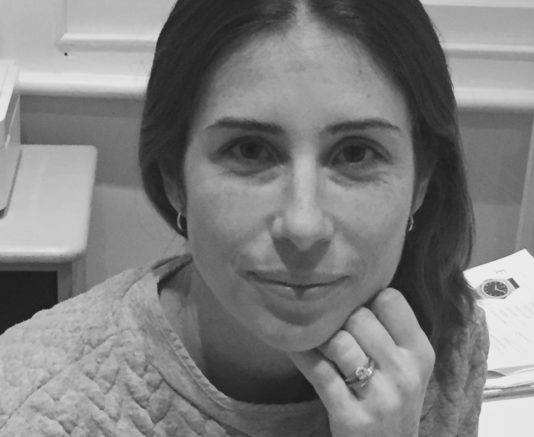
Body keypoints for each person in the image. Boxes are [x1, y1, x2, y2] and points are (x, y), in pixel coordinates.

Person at [0, 0, 489, 435]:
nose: (303, 226)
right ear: (174, 176)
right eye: (250, 150)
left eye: (356, 153)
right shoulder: (37, 412)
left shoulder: (446, 345)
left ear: (422, 181)